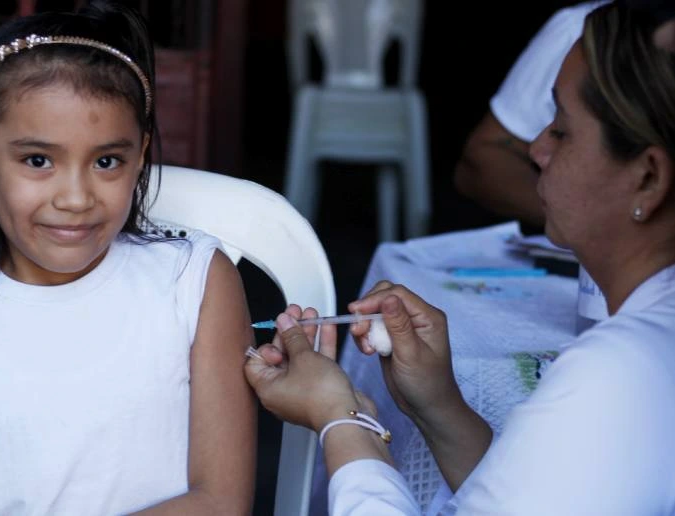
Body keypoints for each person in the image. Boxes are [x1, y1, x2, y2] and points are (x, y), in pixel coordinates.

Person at [246, 2, 675, 513]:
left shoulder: (615, 375)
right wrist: (438, 404)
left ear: (647, 177)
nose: (537, 148)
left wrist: (340, 416)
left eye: (561, 128)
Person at [0, 2, 257, 514]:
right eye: (38, 161)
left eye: (107, 161)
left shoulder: (194, 281)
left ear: (140, 153)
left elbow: (221, 501)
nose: (75, 197)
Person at [453, 1, 605, 230]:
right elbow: (482, 161)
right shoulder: (583, 30)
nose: (538, 149)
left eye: (563, 131)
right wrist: (589, 227)